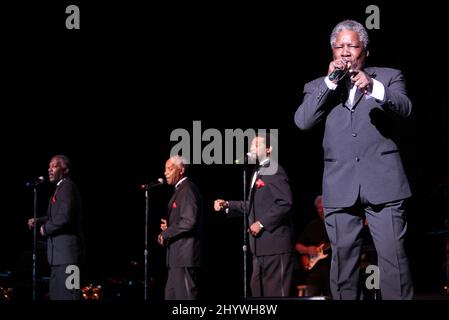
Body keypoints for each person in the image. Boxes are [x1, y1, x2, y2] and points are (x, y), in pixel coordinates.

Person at [294, 19, 414, 300]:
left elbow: (406, 109)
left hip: (384, 184)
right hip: (340, 186)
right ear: (332, 52)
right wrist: (328, 83)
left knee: (393, 263)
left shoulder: (388, 76)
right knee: (343, 268)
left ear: (366, 51)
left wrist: (373, 87)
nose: (345, 52)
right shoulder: (317, 87)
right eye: (339, 46)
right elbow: (303, 121)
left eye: (352, 46)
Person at [214, 135, 295, 297]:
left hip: (274, 246)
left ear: (269, 149)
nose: (252, 148)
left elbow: (285, 202)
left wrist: (262, 223)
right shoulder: (257, 172)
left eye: (257, 144)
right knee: (257, 292)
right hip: (258, 248)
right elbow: (251, 206)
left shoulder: (274, 168)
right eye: (251, 145)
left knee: (275, 295)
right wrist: (228, 204)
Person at [28, 155, 84, 300]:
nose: (49, 169)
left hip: (68, 257)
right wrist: (38, 220)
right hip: (57, 257)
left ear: (65, 170)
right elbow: (53, 216)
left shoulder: (68, 187)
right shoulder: (59, 189)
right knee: (57, 296)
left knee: (70, 295)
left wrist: (45, 228)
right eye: (49, 166)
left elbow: (64, 217)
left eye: (54, 166)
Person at [158, 155, 203, 300]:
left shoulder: (187, 189)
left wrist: (167, 233)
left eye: (169, 169)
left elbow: (189, 221)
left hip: (184, 257)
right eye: (165, 169)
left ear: (181, 170)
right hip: (176, 258)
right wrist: (169, 227)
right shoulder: (180, 190)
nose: (165, 173)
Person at [295, 195, 330, 297]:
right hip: (313, 273)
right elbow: (297, 246)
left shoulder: (334, 224)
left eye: (323, 207)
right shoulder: (311, 225)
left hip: (331, 271)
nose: (321, 210)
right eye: (318, 208)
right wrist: (308, 250)